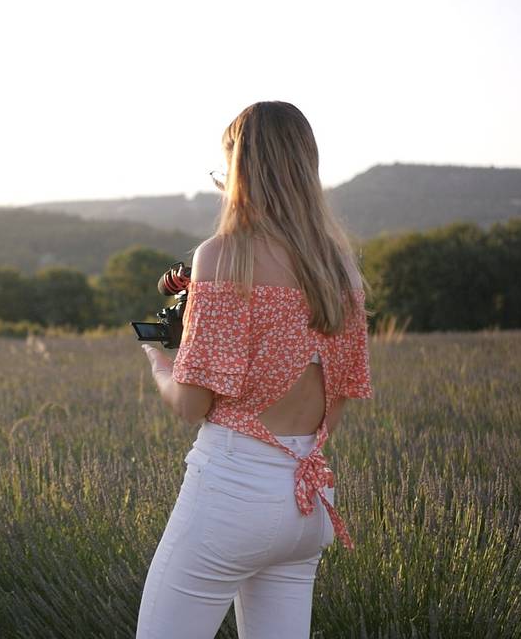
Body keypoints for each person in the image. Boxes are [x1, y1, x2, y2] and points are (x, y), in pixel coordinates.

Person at [136, 102, 373, 639]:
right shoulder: (342, 273)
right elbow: (336, 404)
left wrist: (160, 365)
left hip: (230, 495)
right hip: (306, 502)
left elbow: (192, 405)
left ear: (241, 168)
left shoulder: (223, 257)